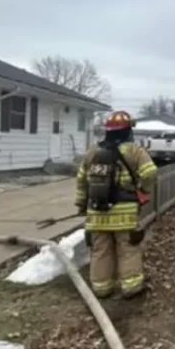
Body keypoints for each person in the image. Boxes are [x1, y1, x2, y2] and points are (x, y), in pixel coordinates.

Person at [74, 110, 158, 299]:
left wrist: (81, 204)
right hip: (124, 213)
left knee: (100, 250)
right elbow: (150, 172)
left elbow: (81, 180)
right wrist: (143, 189)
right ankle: (131, 286)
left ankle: (101, 288)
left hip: (97, 212)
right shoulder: (135, 151)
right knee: (128, 249)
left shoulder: (92, 152)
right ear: (128, 131)